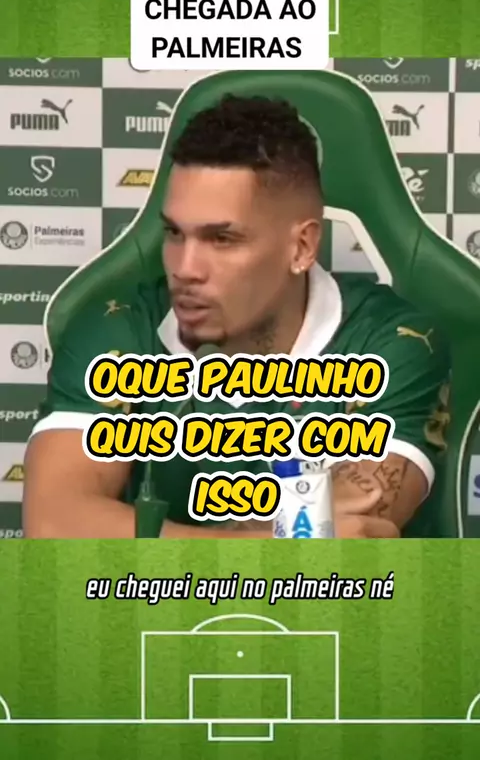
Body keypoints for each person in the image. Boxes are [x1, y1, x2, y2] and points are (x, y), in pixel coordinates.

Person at [23, 94, 450, 539]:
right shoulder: (118, 331)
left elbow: (356, 529)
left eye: (222, 239)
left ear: (302, 247)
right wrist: (266, 541)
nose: (185, 268)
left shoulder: (393, 341)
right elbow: (54, 524)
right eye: (174, 233)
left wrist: (160, 544)